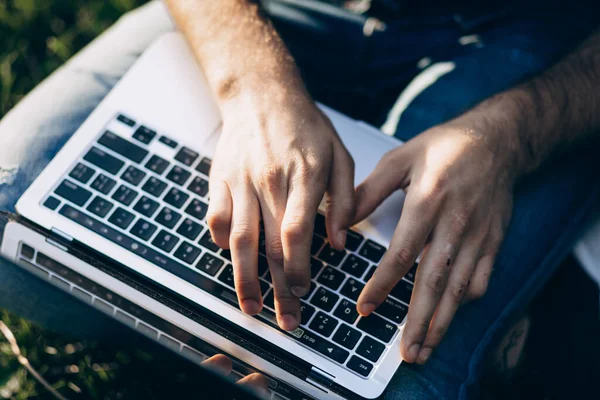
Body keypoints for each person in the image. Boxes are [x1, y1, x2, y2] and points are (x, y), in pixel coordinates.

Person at [0, 0, 598, 398]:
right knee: (13, 218)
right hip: (286, 8)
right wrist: (250, 82)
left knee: (389, 376)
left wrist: (511, 136)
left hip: (543, 38)